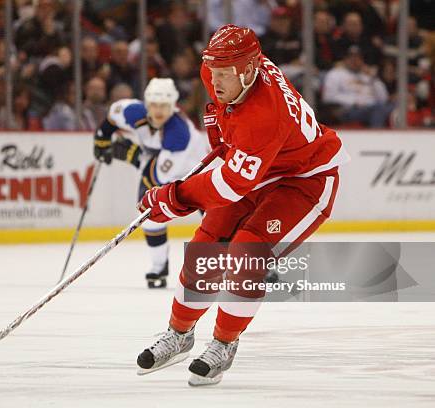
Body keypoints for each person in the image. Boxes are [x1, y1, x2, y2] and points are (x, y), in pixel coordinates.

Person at [135, 25, 349, 385]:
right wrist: (221, 131)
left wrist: (175, 198)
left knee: (247, 252)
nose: (214, 81)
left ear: (249, 70)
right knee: (206, 247)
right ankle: (180, 333)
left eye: (223, 75)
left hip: (306, 179)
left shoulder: (266, 114)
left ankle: (224, 342)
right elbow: (223, 115)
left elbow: (229, 184)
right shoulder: (225, 68)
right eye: (213, 72)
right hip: (261, 165)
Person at [93, 78, 208, 288]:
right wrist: (102, 138)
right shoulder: (133, 111)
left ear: (172, 106)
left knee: (216, 221)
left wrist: (131, 154)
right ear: (146, 104)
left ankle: (252, 265)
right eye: (154, 105)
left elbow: (157, 178)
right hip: (161, 163)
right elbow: (113, 115)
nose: (158, 111)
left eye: (164, 106)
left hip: (198, 173)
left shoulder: (178, 135)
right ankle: (158, 267)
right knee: (149, 214)